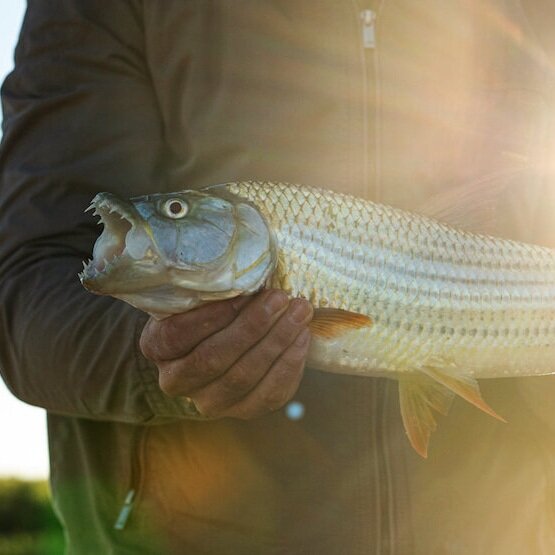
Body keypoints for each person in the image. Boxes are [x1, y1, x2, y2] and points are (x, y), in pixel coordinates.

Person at [1, 2, 555, 553]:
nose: (166, 217)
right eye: (177, 212)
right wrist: (163, 358)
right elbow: (28, 282)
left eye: (174, 212)